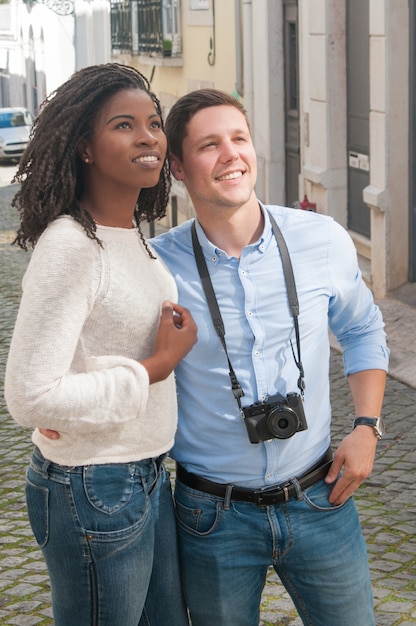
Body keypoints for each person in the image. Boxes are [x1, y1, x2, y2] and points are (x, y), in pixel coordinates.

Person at [148, 89, 389, 625]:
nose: (232, 154)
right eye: (210, 145)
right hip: (211, 517)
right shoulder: (157, 268)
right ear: (180, 170)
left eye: (239, 138)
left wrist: (367, 427)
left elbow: (362, 327)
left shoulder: (321, 239)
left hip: (320, 497)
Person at [4, 63, 197, 626]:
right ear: (84, 146)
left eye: (154, 123)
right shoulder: (71, 245)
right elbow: (30, 396)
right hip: (93, 484)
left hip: (144, 472)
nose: (148, 137)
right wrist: (156, 365)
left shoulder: (132, 233)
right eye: (124, 125)